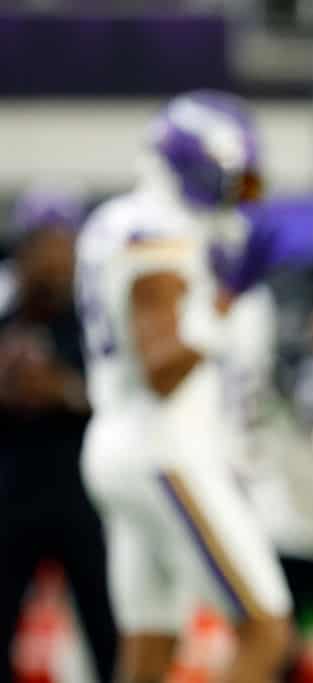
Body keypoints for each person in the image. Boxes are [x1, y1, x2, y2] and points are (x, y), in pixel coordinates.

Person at [75, 90, 293, 683]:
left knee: (148, 643)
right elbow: (162, 369)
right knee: (266, 626)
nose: (238, 196)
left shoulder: (117, 222)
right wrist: (223, 303)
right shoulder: (157, 230)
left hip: (125, 443)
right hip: (162, 448)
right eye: (231, 179)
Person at [0, 186, 118, 683]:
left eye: (61, 246)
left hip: (83, 499)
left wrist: (62, 388)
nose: (52, 259)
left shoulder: (95, 326)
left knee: (109, 630)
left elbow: (121, 399)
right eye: (41, 245)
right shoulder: (6, 323)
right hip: (11, 499)